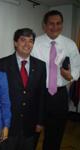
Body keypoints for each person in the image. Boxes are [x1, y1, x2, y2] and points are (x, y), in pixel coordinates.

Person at [31, 10, 80, 150]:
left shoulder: (69, 44)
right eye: (51, 24)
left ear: (62, 25)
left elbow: (77, 68)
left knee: (55, 135)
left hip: (59, 95)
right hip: (38, 94)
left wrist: (69, 76)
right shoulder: (35, 43)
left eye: (58, 23)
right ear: (44, 25)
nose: (55, 27)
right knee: (32, 133)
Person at [0, 28, 46, 150]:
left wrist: (40, 121)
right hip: (8, 125)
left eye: (30, 41)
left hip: (31, 125)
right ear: (15, 43)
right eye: (23, 40)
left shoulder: (40, 65)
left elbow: (42, 95)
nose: (27, 44)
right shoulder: (2, 64)